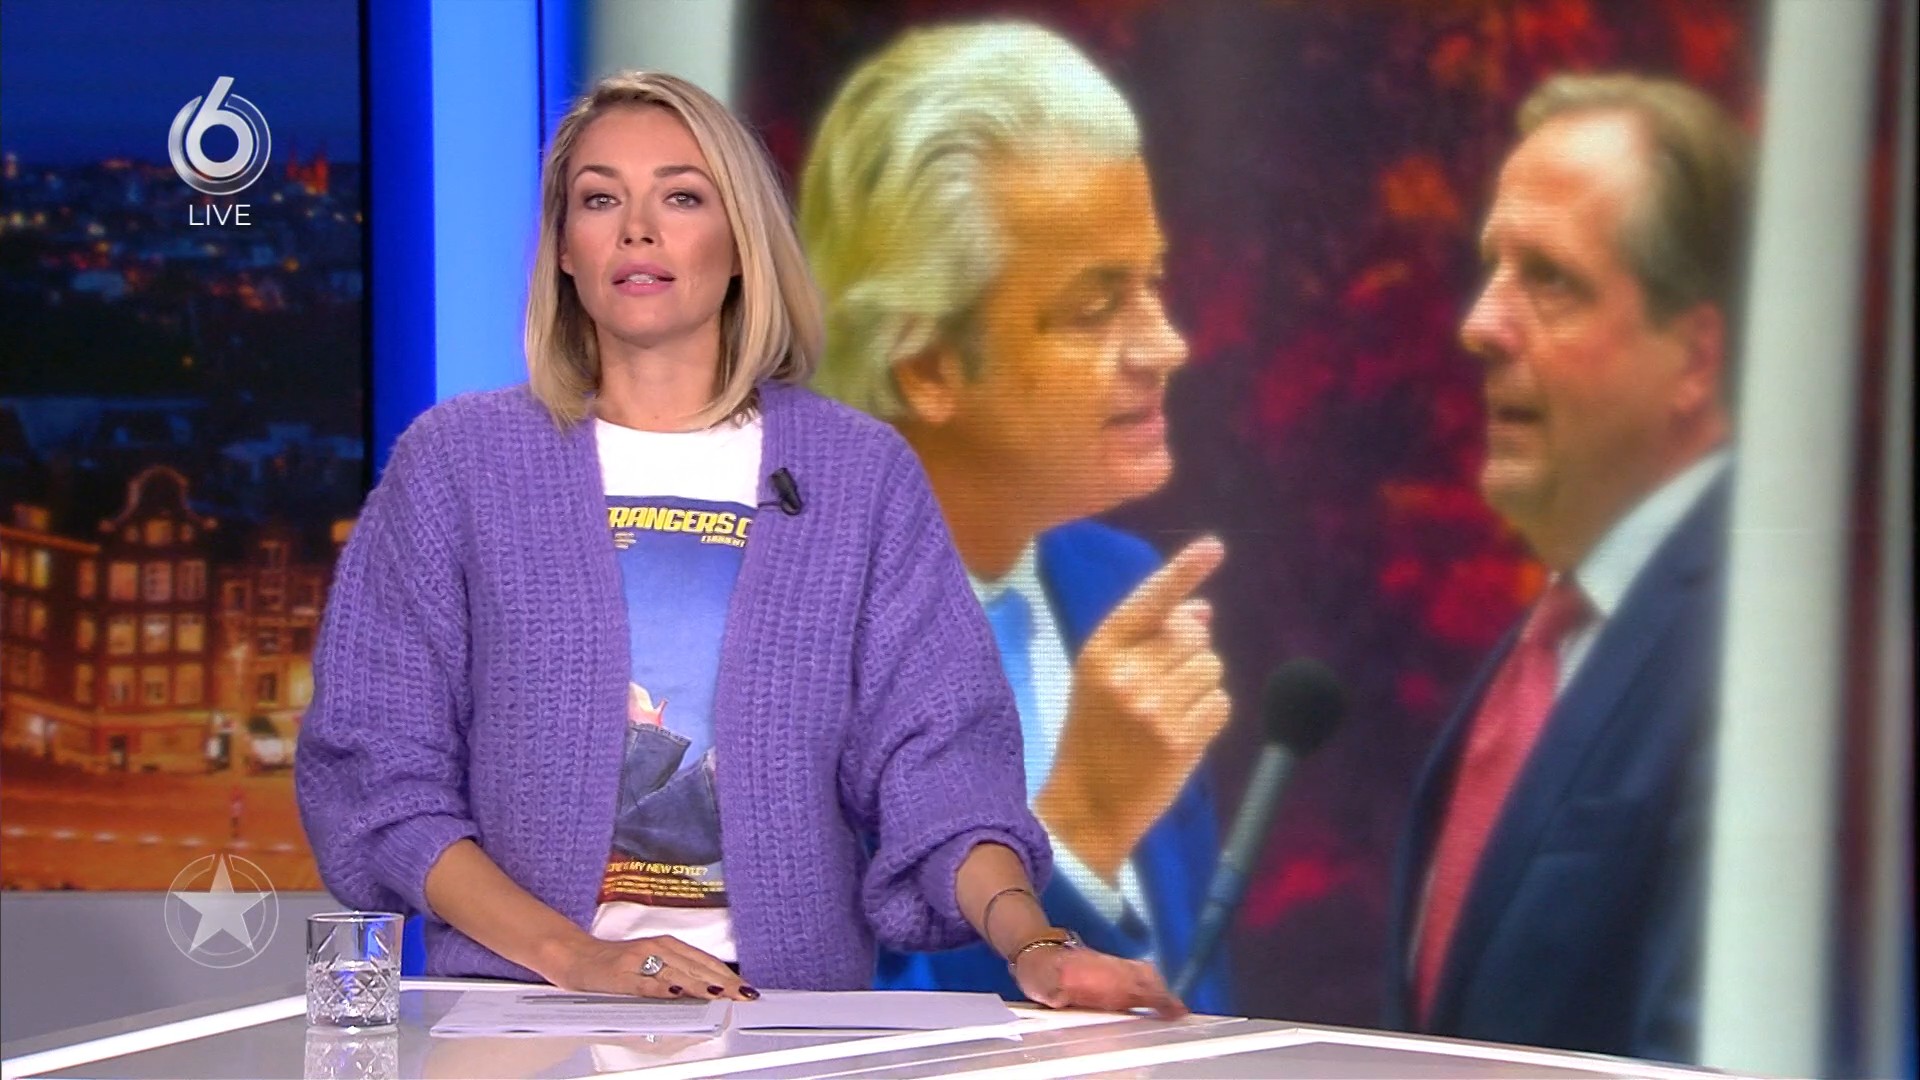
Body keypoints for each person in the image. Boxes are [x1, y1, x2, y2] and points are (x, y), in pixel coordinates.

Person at [295, 70, 1183, 1016]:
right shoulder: (458, 466)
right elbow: (380, 779)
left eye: (681, 197)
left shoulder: (857, 474)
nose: (638, 231)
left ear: (741, 242)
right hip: (521, 1025)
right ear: (563, 249)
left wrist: (1036, 944)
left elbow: (943, 770)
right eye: (599, 200)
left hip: (785, 1026)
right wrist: (578, 958)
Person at [799, 23, 1233, 1012]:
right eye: (1095, 308)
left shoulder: (1121, 588)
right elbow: (800, 1022)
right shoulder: (769, 632)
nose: (1165, 345)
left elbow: (1197, 996)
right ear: (927, 367)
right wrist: (1080, 827)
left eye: (1152, 283)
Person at [1383, 73, 1751, 1061]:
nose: (1480, 323)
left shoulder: (1760, 646)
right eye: (1492, 267)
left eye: (1549, 279)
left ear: (1696, 358)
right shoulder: (1553, 639)